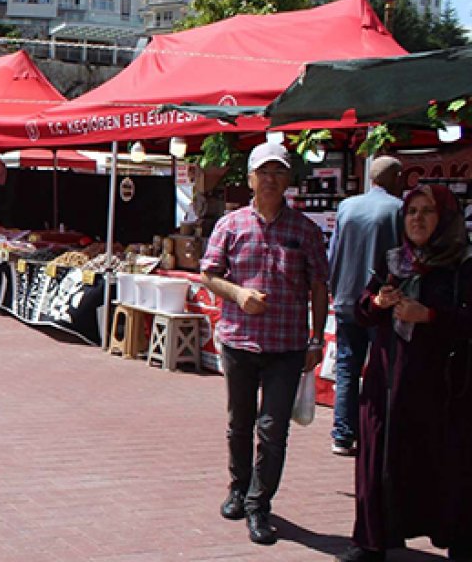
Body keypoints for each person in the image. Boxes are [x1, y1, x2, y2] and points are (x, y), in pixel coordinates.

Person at [199, 141, 328, 546]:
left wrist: (315, 338)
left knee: (273, 430)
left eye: (278, 172)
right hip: (239, 343)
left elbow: (320, 287)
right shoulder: (230, 225)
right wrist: (237, 295)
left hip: (287, 348)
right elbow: (209, 274)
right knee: (239, 423)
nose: (270, 180)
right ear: (251, 178)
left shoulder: (305, 230)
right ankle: (238, 488)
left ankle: (259, 504)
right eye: (264, 172)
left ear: (288, 179)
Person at [336, 185, 472, 562]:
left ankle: (458, 540)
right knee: (379, 460)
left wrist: (429, 316)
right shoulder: (394, 260)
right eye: (412, 210)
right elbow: (363, 310)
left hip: (444, 390)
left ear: (444, 218)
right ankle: (373, 541)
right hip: (389, 383)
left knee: (447, 466)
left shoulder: (462, 264)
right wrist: (377, 302)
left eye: (428, 211)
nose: (417, 218)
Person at [327, 157, 403, 457]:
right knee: (383, 366)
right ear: (395, 176)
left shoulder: (347, 206)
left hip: (346, 295)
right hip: (378, 301)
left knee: (347, 367)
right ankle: (378, 429)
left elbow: (333, 252)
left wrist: (335, 288)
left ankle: (343, 434)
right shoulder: (397, 209)